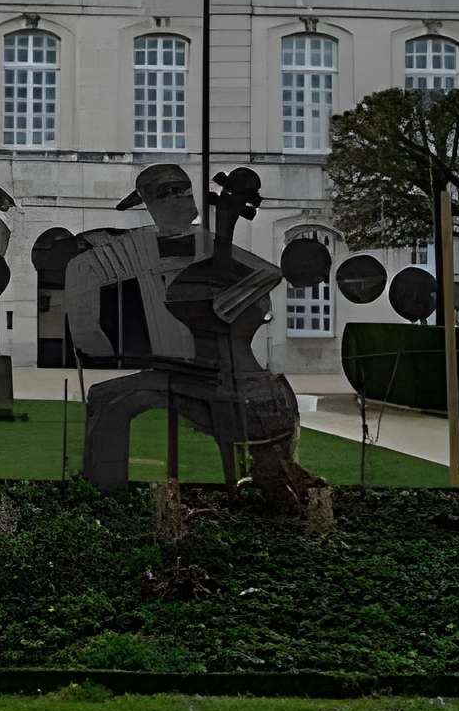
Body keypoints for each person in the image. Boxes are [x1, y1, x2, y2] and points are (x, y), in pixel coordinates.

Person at [61, 163, 328, 503]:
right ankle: (106, 493)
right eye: (166, 193)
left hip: (210, 374)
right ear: (148, 204)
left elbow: (268, 272)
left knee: (109, 400)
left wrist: (226, 301)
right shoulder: (131, 248)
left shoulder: (208, 246)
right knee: (104, 397)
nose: (179, 198)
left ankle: (108, 496)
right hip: (179, 370)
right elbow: (83, 280)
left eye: (182, 190)